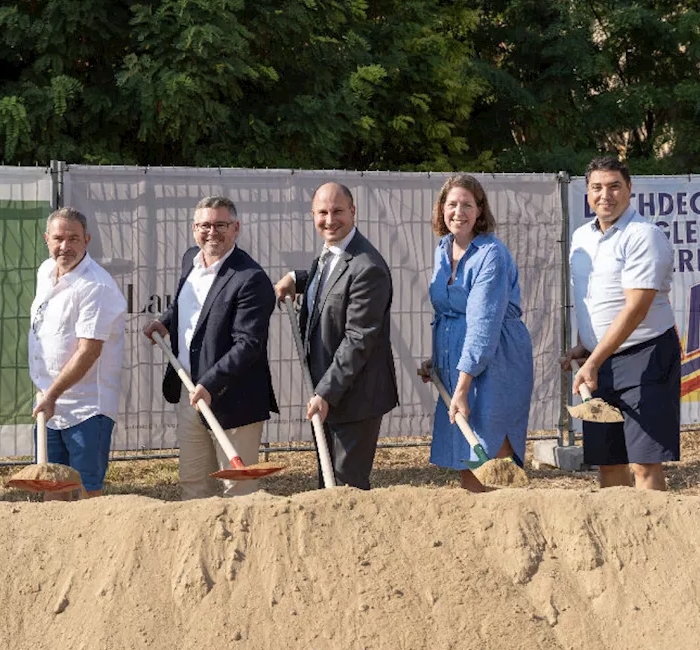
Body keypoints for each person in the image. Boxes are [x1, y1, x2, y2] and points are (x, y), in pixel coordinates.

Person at [143, 196, 276, 499]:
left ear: (236, 228)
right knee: (193, 485)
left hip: (234, 401)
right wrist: (166, 322)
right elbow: (189, 308)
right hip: (189, 395)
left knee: (238, 489)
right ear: (194, 229)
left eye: (220, 225)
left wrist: (210, 384)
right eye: (205, 225)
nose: (212, 232)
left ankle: (246, 545)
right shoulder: (190, 259)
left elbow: (249, 345)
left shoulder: (250, 279)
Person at [561, 156, 679, 490]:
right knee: (609, 464)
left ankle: (653, 538)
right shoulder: (582, 237)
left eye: (615, 186)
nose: (605, 195)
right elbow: (594, 301)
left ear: (629, 190)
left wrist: (592, 361)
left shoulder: (645, 235)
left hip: (646, 356)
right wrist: (585, 345)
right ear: (587, 194)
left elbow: (635, 309)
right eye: (597, 187)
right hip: (599, 361)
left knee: (644, 463)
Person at [274, 182, 398, 490]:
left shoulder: (368, 267)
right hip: (330, 393)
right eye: (323, 212)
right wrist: (296, 278)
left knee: (345, 489)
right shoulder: (330, 254)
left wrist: (326, 392)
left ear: (353, 212)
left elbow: (359, 338)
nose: (330, 220)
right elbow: (330, 285)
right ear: (313, 215)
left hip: (354, 399)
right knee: (327, 487)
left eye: (338, 211)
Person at [418, 174, 533, 492]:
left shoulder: (491, 254)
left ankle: (511, 531)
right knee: (467, 457)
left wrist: (462, 387)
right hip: (460, 361)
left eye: (467, 205)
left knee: (491, 454)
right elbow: (448, 312)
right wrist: (438, 359)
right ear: (441, 209)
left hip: (496, 359)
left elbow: (483, 323)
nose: (459, 212)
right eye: (451, 204)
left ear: (480, 211)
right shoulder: (443, 249)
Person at [29, 207, 127, 500]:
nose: (65, 246)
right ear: (47, 239)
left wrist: (52, 394)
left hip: (87, 409)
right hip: (51, 404)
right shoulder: (46, 272)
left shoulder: (95, 286)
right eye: (58, 238)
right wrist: (48, 395)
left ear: (87, 240)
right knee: (51, 488)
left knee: (87, 492)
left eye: (74, 239)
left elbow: (88, 352)